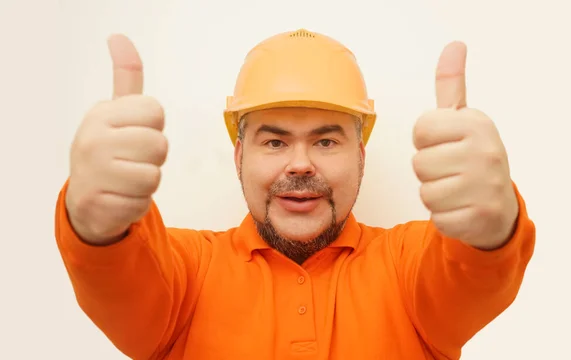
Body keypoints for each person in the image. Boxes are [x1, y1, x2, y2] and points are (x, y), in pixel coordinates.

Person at [54, 28, 536, 360]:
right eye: (275, 141)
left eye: (326, 140)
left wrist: (489, 232)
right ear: (239, 154)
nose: (300, 163)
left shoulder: (408, 264)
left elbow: (467, 276)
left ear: (361, 154)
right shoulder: (186, 272)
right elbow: (122, 275)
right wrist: (97, 223)